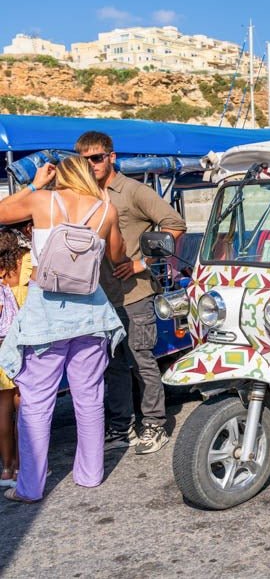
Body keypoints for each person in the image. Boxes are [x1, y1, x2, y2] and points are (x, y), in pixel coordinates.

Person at [0, 157, 126, 503]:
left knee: (37, 403)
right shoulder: (105, 210)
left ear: (61, 176)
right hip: (92, 316)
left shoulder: (42, 200)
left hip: (47, 317)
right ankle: (90, 475)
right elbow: (117, 256)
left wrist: (35, 183)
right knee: (89, 397)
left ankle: (30, 487)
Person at [75, 131, 187, 455]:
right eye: (84, 160)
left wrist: (143, 263)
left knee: (141, 360)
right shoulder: (83, 195)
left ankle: (154, 424)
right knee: (110, 364)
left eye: (96, 158)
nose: (90, 164)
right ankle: (120, 426)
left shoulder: (132, 191)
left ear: (111, 156)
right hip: (98, 295)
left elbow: (175, 224)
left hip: (135, 292)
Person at [0, 228, 30, 488]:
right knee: (24, 408)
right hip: (18, 345)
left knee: (3, 410)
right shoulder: (25, 266)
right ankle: (24, 466)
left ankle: (7, 469)